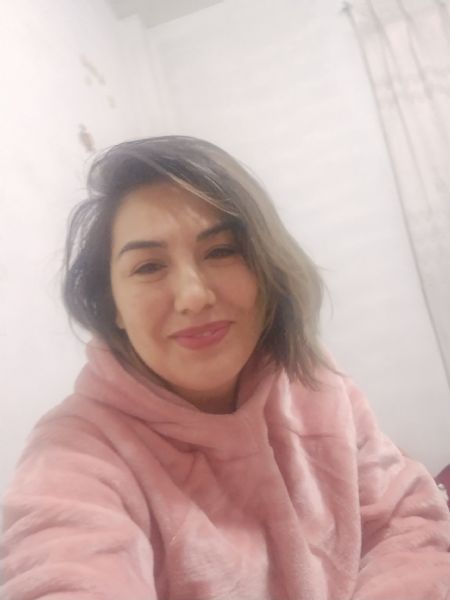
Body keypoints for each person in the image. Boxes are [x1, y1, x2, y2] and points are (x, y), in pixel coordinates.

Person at [1, 136, 449, 600]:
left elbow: (406, 519)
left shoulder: (312, 380)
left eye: (220, 251)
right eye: (149, 267)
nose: (193, 296)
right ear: (111, 304)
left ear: (264, 266)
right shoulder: (74, 455)